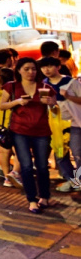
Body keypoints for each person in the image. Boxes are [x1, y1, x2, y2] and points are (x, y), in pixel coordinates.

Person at [0, 57, 56, 213]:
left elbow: (56, 110)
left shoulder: (45, 87)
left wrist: (51, 103)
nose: (31, 72)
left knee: (42, 166)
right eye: (26, 69)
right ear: (18, 70)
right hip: (20, 131)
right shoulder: (11, 86)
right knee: (25, 166)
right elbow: (2, 106)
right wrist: (17, 102)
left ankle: (44, 197)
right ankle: (31, 200)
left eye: (33, 69)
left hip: (42, 131)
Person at [39, 56, 81, 193]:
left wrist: (68, 96)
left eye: (50, 66)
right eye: (43, 67)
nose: (46, 69)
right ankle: (72, 180)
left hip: (74, 122)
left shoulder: (70, 82)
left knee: (77, 152)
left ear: (58, 67)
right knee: (60, 153)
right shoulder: (44, 84)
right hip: (55, 123)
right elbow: (44, 104)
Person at [0, 68, 20, 187]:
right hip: (12, 124)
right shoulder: (12, 90)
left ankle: (7, 178)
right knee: (19, 152)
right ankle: (15, 173)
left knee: (3, 153)